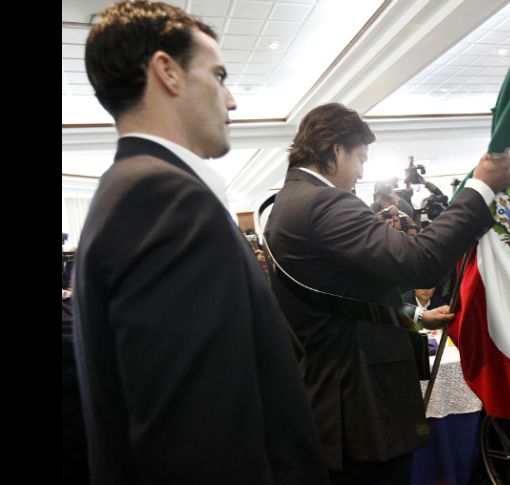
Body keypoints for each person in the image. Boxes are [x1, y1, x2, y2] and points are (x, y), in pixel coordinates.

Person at [72, 2, 327, 483]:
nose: (230, 100)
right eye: (219, 75)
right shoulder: (163, 199)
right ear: (167, 72)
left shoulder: (129, 189)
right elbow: (199, 443)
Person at [264, 102, 510, 483]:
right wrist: (478, 191)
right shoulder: (323, 202)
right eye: (360, 157)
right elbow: (419, 261)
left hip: (343, 392)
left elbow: (349, 295)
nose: (361, 170)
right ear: (335, 150)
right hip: (360, 401)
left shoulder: (290, 200)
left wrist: (412, 315)